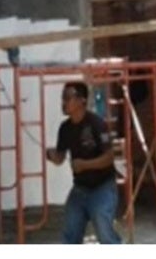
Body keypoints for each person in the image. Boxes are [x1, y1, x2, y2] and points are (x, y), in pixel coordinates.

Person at [45, 81, 122, 244]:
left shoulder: (96, 124)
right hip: (80, 189)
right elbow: (60, 158)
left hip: (102, 188)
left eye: (67, 97)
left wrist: (85, 164)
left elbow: (109, 157)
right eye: (63, 97)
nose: (63, 102)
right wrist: (52, 156)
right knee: (70, 234)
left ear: (82, 101)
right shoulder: (65, 128)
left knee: (105, 234)